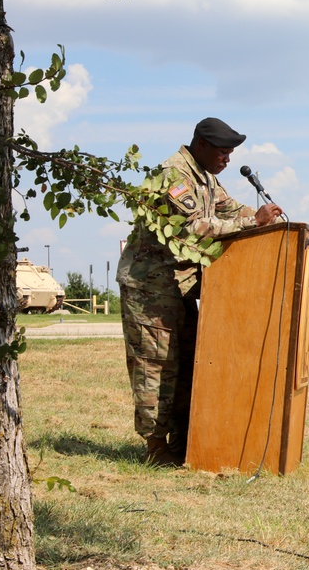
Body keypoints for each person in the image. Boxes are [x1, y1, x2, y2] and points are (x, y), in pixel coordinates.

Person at [116, 117, 284, 467]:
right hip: (151, 287)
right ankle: (155, 446)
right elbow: (192, 227)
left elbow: (230, 210)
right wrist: (254, 223)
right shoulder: (175, 174)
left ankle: (184, 441)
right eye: (223, 152)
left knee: (193, 361)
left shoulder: (206, 178)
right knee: (157, 364)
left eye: (231, 153)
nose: (227, 160)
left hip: (181, 287)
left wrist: (265, 218)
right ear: (202, 145)